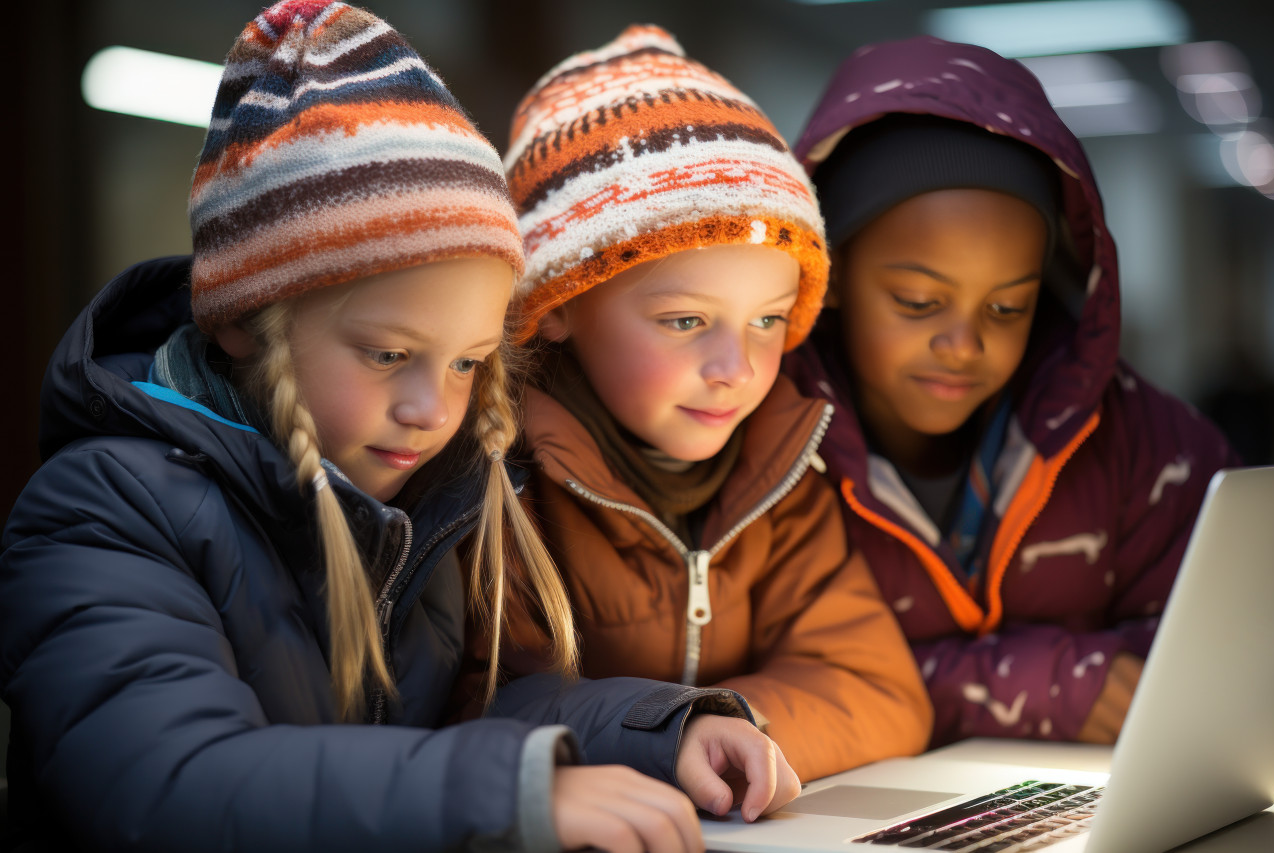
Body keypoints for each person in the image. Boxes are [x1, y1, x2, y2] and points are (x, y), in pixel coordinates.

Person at [0, 5, 800, 851]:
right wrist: (508, 794)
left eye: (466, 364)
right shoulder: (103, 512)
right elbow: (172, 782)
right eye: (387, 354)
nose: (436, 410)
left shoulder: (413, 492)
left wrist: (660, 731)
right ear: (243, 323)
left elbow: (464, 715)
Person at [482, 24, 932, 784]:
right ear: (554, 303)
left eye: (768, 320)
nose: (737, 368)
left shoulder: (782, 472)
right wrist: (669, 732)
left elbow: (881, 690)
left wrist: (732, 724)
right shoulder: (496, 484)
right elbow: (476, 706)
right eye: (686, 321)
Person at [783, 36, 1239, 748]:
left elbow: (1234, 651)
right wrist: (1040, 684)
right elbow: (750, 679)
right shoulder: (759, 450)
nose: (964, 345)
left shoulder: (1143, 441)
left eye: (1007, 307)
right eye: (916, 300)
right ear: (829, 273)